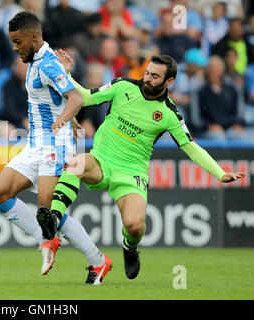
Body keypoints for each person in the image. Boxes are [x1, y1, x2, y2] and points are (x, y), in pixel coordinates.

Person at [36, 50, 244, 281]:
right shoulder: (122, 86)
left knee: (135, 226)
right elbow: (85, 97)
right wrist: (67, 74)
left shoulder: (169, 113)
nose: (148, 78)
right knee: (76, 163)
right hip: (101, 160)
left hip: (131, 173)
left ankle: (130, 246)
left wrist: (220, 173)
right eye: (147, 73)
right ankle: (53, 219)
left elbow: (190, 147)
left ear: (169, 81)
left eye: (155, 76)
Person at [0, 12, 110, 285]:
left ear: (34, 36)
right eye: (12, 42)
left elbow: (76, 96)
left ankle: (97, 261)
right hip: (36, 144)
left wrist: (65, 120)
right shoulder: (36, 60)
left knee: (49, 211)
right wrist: (72, 119)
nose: (15, 47)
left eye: (18, 41)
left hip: (55, 145)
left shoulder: (47, 64)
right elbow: (58, 97)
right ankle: (48, 240)